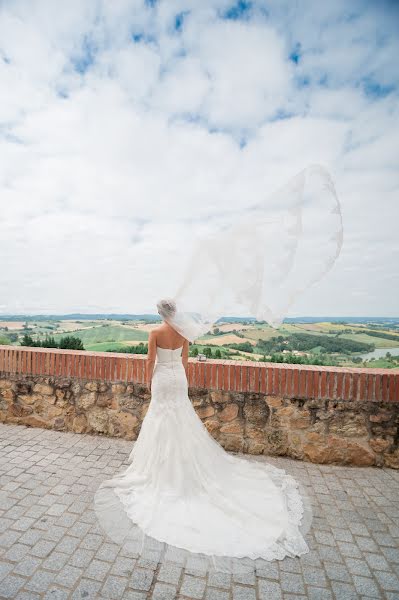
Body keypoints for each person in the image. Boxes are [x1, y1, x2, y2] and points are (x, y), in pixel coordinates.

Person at [94, 298, 314, 575]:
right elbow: (185, 360)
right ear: (175, 312)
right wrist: (177, 371)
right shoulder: (183, 332)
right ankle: (182, 464)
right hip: (179, 377)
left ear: (159, 313)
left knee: (162, 418)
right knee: (181, 417)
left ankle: (163, 469)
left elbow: (150, 360)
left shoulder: (154, 333)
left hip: (162, 378)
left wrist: (147, 381)